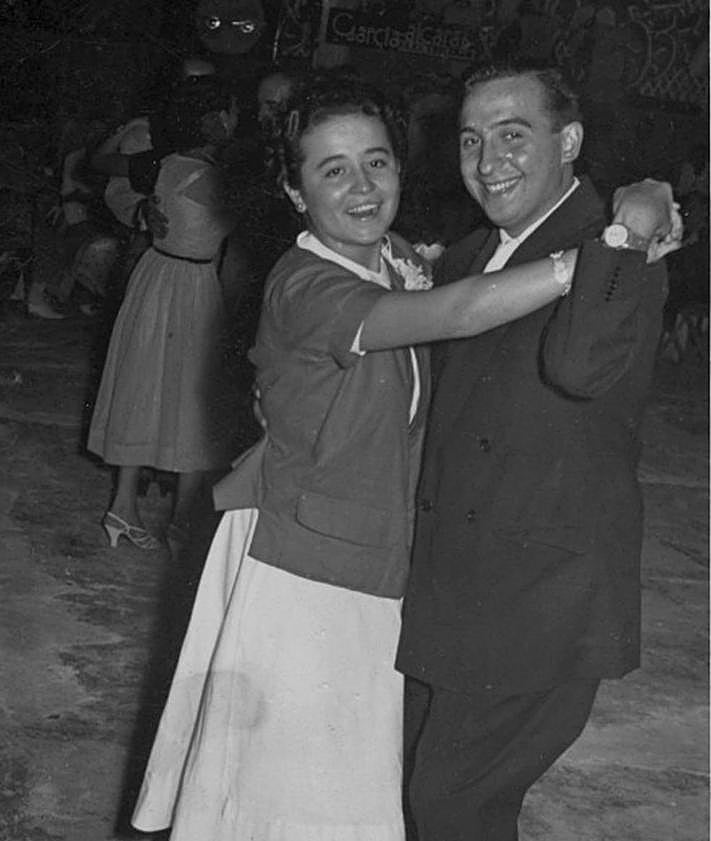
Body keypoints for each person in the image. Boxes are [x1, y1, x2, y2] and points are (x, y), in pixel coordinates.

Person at [129, 73, 678, 841]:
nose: (361, 186)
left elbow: (558, 356)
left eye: (376, 162)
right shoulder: (311, 283)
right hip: (307, 565)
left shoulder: (407, 258)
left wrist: (625, 231)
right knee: (289, 797)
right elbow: (455, 312)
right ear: (293, 191)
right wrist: (601, 249)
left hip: (419, 580)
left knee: (380, 795)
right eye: (332, 169)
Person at [395, 61, 681, 841]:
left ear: (569, 141)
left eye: (513, 135)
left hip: (540, 599)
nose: (488, 162)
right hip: (448, 585)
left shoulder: (624, 251)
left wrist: (627, 228)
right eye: (470, 140)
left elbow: (578, 367)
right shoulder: (466, 255)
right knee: (411, 786)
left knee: (451, 805)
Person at [87, 77, 239, 552]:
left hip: (154, 278)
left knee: (142, 386)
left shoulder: (164, 163)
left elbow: (99, 163)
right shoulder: (218, 178)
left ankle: (123, 506)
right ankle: (181, 521)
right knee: (193, 400)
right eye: (233, 112)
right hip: (193, 286)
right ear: (216, 120)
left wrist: (142, 210)